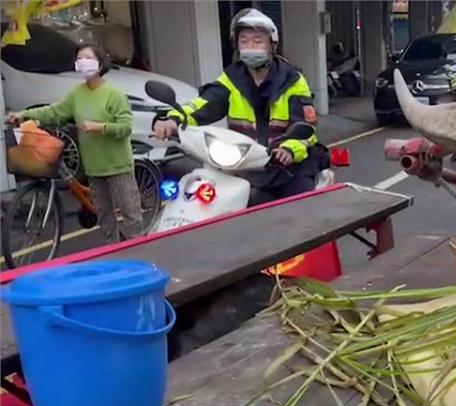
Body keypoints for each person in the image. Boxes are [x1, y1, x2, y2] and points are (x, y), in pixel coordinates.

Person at [153, 8, 321, 206]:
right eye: (244, 41)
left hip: (287, 167)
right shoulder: (231, 78)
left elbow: (306, 126)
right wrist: (174, 119)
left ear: (272, 45)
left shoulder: (293, 80)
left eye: (257, 41)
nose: (250, 46)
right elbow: (204, 104)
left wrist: (289, 149)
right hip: (244, 163)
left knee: (302, 214)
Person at [6, 45, 141, 242]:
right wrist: (24, 114)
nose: (82, 61)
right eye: (79, 58)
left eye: (87, 57)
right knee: (104, 215)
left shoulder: (114, 94)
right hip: (94, 167)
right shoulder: (77, 94)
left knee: (130, 214)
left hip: (117, 165)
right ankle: (114, 250)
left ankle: (138, 249)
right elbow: (55, 111)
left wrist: (99, 127)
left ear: (100, 62)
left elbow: (125, 127)